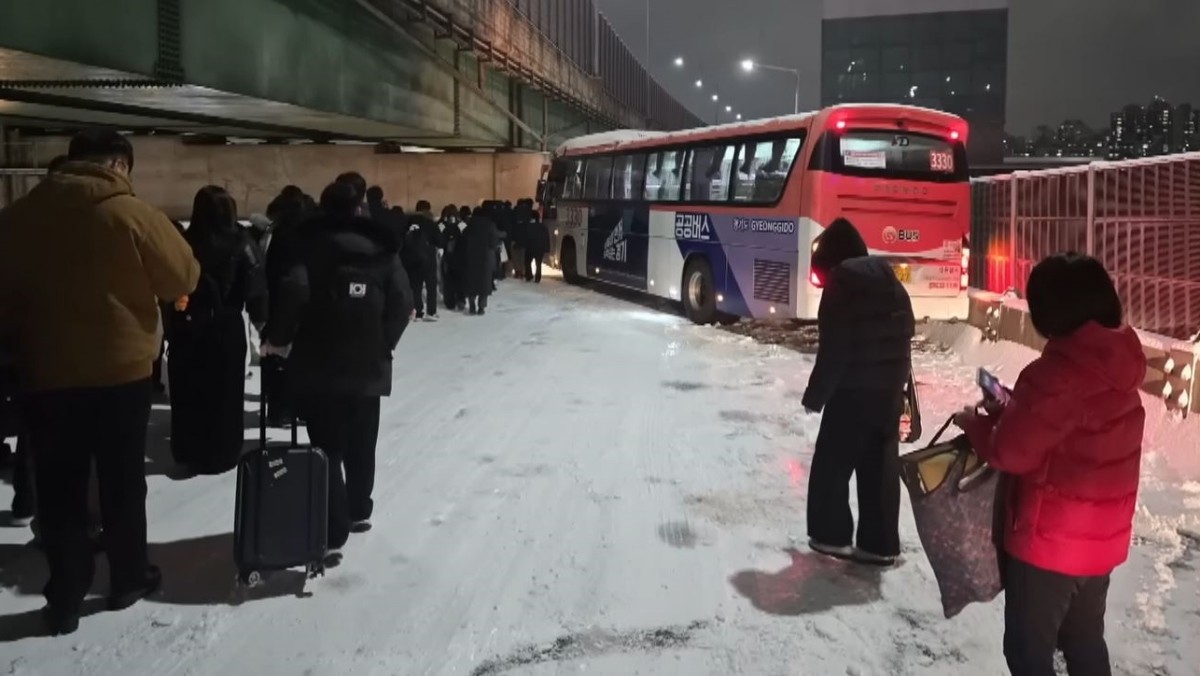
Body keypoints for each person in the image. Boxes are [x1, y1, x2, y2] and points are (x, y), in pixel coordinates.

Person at [0, 129, 200, 634]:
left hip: (46, 370)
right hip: (122, 374)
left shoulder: (18, 217)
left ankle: (65, 597)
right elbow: (182, 278)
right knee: (122, 481)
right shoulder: (132, 215)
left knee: (60, 486)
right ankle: (128, 577)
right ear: (117, 164)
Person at [954, 253, 1145, 676]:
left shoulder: (1055, 376)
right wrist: (1014, 411)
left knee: (1028, 652)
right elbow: (1064, 433)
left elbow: (1011, 452)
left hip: (1049, 547)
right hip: (1100, 546)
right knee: (1084, 642)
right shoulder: (1120, 368)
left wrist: (975, 425)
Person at [264, 180, 413, 568]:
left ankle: (333, 528)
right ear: (361, 207)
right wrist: (384, 344)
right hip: (368, 368)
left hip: (318, 366)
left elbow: (293, 293)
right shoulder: (384, 251)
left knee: (327, 445)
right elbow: (403, 303)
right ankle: (360, 508)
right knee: (363, 441)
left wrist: (278, 340)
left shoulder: (307, 248)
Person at [801, 218, 914, 567]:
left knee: (831, 466)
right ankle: (879, 545)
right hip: (888, 393)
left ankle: (830, 535)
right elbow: (904, 340)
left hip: (852, 394)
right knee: (879, 468)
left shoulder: (841, 285)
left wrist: (816, 395)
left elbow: (836, 349)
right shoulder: (891, 281)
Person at [167, 186, 267, 475]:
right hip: (225, 325)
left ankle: (188, 449)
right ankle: (222, 452)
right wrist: (264, 325)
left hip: (187, 324)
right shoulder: (241, 243)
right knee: (225, 392)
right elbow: (256, 287)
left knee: (188, 391)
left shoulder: (182, 242)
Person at [402, 200, 440, 320]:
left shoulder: (407, 222)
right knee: (431, 285)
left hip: (410, 257)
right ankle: (431, 312)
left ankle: (417, 312)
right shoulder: (430, 223)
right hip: (428, 257)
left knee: (415, 286)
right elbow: (440, 241)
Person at [461, 207, 500, 315]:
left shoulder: (469, 226)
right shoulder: (490, 225)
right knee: (484, 283)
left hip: (470, 258)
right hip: (486, 258)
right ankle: (481, 307)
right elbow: (493, 242)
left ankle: (472, 305)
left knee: (471, 282)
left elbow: (463, 242)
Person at [439, 205, 466, 311]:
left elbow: (438, 236)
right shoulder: (462, 224)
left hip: (447, 257)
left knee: (448, 280)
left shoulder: (442, 225)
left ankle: (450, 302)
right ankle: (461, 299)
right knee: (460, 279)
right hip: (460, 256)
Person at [524, 209, 550, 283]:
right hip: (540, 248)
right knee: (538, 263)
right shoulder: (543, 227)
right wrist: (547, 248)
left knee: (527, 262)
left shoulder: (528, 226)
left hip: (530, 247)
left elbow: (525, 237)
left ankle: (528, 275)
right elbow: (546, 238)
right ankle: (538, 278)